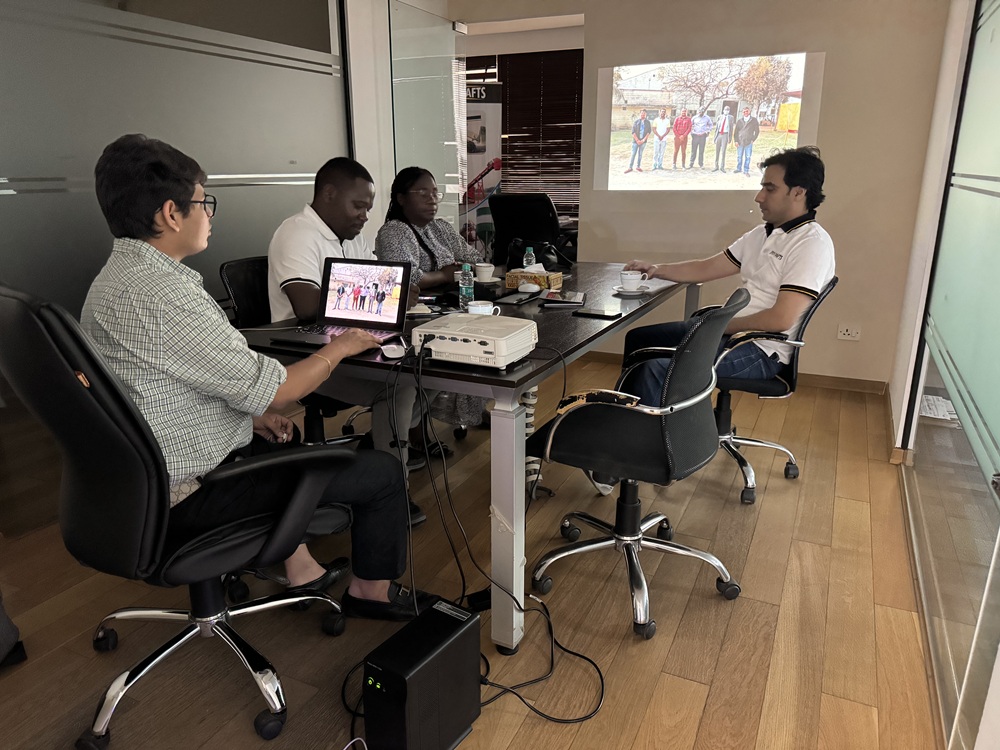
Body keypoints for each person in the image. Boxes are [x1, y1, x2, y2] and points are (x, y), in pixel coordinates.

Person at [82, 134, 434, 620]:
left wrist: (249, 418)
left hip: (139, 484)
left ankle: (301, 568)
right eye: (204, 202)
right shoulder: (166, 297)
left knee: (282, 438)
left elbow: (155, 390)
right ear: (170, 214)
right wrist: (342, 346)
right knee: (380, 473)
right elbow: (282, 390)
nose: (210, 214)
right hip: (192, 493)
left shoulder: (112, 282)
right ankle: (370, 594)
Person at [267, 157, 429, 523]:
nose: (364, 216)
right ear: (328, 194)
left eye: (368, 208)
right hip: (304, 355)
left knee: (427, 369)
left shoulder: (351, 239)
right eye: (358, 206)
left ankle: (379, 450)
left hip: (348, 345)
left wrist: (399, 294)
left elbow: (379, 285)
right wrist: (381, 296)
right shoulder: (297, 234)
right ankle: (392, 490)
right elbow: (306, 306)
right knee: (399, 385)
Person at [621, 146, 835, 405]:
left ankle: (652, 428)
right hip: (729, 333)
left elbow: (780, 319)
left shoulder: (811, 244)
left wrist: (718, 325)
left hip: (760, 350)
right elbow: (706, 268)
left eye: (770, 189)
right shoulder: (762, 234)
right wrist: (656, 269)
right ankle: (627, 418)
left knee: (654, 370)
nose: (759, 197)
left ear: (799, 193)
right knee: (639, 340)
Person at [375, 166, 486, 434]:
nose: (432, 199)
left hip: (445, 308)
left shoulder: (440, 228)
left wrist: (450, 272)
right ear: (401, 198)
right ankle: (413, 430)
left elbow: (475, 259)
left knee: (481, 335)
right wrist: (445, 275)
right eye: (423, 193)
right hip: (412, 317)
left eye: (435, 193)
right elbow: (406, 276)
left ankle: (468, 409)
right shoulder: (394, 231)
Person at [734, 107, 761, 177]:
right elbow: (736, 132)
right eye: (744, 112)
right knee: (739, 156)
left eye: (746, 111)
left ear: (749, 112)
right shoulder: (739, 121)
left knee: (748, 157)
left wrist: (753, 139)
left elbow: (757, 131)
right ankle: (738, 168)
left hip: (748, 142)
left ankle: (746, 170)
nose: (745, 113)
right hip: (740, 141)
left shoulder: (754, 120)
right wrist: (736, 141)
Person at [712, 105, 734, 172]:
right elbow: (716, 128)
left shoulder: (731, 118)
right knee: (717, 151)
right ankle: (716, 166)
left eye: (728, 110)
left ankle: (722, 167)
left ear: (729, 111)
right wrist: (715, 138)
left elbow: (731, 128)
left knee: (723, 151)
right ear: (723, 110)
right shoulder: (719, 117)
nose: (726, 111)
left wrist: (729, 138)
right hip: (719, 134)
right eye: (725, 109)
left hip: (725, 134)